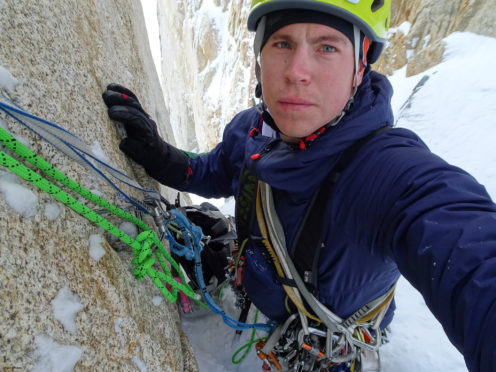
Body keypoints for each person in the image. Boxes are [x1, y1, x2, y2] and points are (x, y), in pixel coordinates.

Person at [102, 1, 496, 371]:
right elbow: (214, 172)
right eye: (283, 43)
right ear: (260, 59)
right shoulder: (251, 130)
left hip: (322, 344)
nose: (296, 70)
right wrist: (161, 157)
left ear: (360, 67)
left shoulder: (384, 169)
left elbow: (467, 252)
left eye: (327, 47)